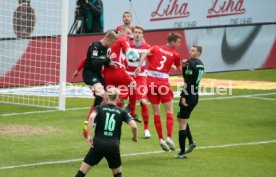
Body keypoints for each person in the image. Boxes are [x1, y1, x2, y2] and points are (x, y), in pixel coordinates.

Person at [74, 87, 138, 177]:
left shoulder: (99, 108)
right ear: (117, 98)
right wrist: (135, 137)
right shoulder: (122, 111)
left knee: (81, 172)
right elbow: (134, 126)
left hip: (97, 144)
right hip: (113, 146)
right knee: (117, 174)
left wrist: (88, 135)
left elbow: (91, 118)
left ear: (107, 97)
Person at [135, 32, 182, 151]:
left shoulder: (155, 48)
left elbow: (145, 53)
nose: (179, 44)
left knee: (156, 112)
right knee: (169, 111)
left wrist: (139, 66)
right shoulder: (175, 54)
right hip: (163, 83)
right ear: (172, 42)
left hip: (151, 83)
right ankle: (169, 137)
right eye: (177, 42)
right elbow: (178, 68)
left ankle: (161, 138)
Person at [81, 30, 118, 137]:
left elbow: (103, 62)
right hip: (89, 73)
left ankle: (93, 121)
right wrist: (108, 59)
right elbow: (94, 63)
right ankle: (92, 120)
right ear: (109, 39)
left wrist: (110, 64)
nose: (113, 45)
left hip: (97, 74)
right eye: (113, 42)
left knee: (106, 98)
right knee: (101, 93)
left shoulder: (106, 49)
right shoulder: (95, 46)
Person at [103, 26, 140, 123]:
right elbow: (128, 51)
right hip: (117, 70)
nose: (129, 35)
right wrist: (133, 54)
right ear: (122, 32)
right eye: (128, 33)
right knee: (133, 85)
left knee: (110, 95)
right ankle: (132, 112)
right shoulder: (122, 39)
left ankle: (101, 117)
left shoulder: (108, 42)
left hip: (107, 72)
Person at [175, 45, 204, 159]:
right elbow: (188, 78)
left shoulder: (190, 63)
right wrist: (184, 67)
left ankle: (182, 153)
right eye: (190, 50)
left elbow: (187, 81)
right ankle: (191, 141)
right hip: (195, 95)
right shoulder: (200, 64)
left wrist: (183, 96)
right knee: (181, 118)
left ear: (198, 53)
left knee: (182, 123)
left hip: (188, 96)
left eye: (193, 50)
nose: (190, 52)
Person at [124, 25, 151, 138]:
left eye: (139, 32)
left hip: (141, 77)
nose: (137, 34)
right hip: (128, 75)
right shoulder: (127, 44)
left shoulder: (146, 46)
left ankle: (146, 129)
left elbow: (150, 55)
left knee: (144, 101)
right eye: (135, 32)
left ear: (142, 34)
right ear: (133, 34)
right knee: (118, 99)